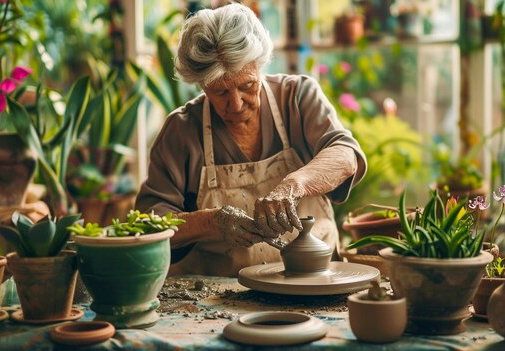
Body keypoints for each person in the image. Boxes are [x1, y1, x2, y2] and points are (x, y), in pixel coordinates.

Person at [135, 3, 367, 277]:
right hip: (217, 293)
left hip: (314, 280)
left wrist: (294, 184)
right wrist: (212, 222)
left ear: (260, 64)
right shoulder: (182, 130)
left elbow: (345, 154)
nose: (235, 104)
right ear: (200, 84)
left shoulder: (297, 97)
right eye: (220, 92)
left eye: (247, 85)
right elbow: (149, 224)